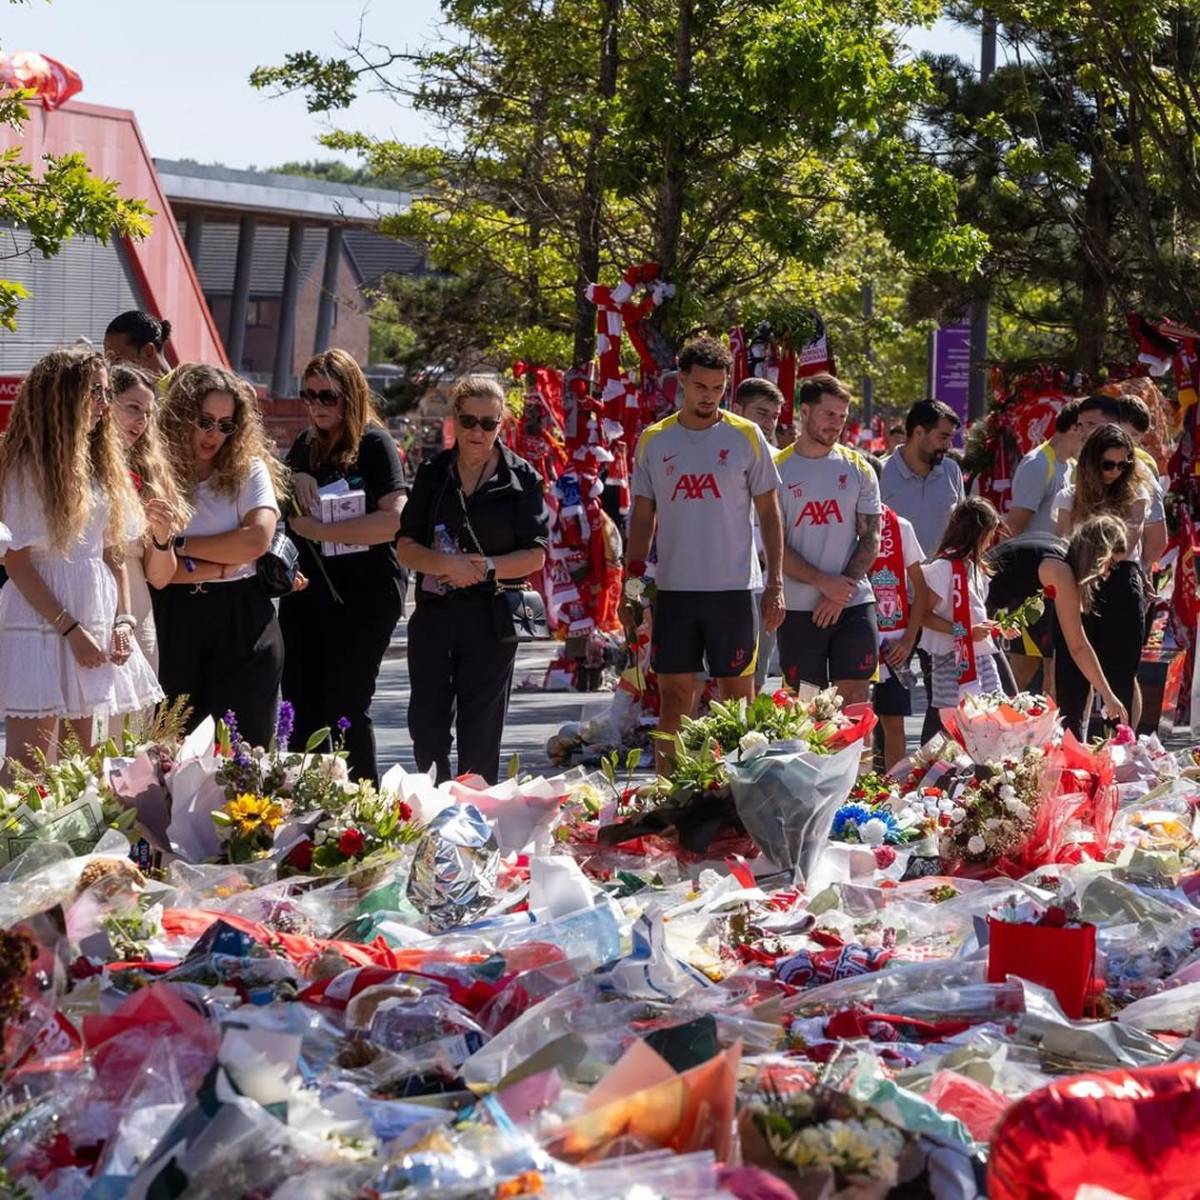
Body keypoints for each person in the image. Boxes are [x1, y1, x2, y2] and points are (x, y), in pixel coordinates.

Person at [624, 336, 784, 769]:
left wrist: (775, 583)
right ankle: (668, 794)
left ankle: (738, 795)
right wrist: (632, 587)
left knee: (736, 702)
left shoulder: (746, 435)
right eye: (700, 387)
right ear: (682, 381)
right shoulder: (655, 440)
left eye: (717, 388)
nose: (709, 396)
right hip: (675, 591)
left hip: (734, 591)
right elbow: (642, 517)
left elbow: (770, 514)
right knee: (676, 697)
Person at [0, 347, 162, 769]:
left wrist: (123, 621)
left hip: (97, 617)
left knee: (92, 761)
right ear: (62, 395)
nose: (104, 404)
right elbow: (15, 561)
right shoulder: (26, 468)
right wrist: (70, 629)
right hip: (41, 620)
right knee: (28, 763)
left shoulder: (101, 464)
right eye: (96, 392)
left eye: (106, 393)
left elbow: (113, 554)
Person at [396, 376, 549, 784]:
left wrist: (486, 566)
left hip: (492, 617)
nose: (477, 431)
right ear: (455, 420)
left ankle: (476, 813)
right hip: (435, 613)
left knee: (480, 732)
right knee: (426, 726)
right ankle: (435, 803)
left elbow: (535, 554)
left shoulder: (521, 478)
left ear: (501, 424)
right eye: (468, 421)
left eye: (488, 423)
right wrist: (446, 565)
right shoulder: (433, 473)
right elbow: (405, 547)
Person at [282, 349, 408, 785]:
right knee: (300, 701)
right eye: (309, 395)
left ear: (350, 395)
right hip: (309, 593)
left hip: (365, 593)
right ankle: (304, 800)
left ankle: (361, 801)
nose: (316, 405)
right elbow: (278, 496)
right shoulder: (304, 445)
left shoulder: (374, 443)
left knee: (345, 705)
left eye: (327, 396)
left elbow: (394, 520)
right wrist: (294, 477)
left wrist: (321, 530)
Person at [155, 364, 285, 746]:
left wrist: (178, 545)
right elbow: (152, 567)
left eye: (226, 425)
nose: (214, 434)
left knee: (244, 752)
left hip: (242, 617)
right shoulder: (156, 473)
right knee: (170, 754)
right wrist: (220, 562)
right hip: (174, 618)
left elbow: (256, 540)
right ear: (180, 416)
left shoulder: (249, 469)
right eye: (205, 421)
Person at [774, 374, 881, 702]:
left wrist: (839, 592)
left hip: (852, 601)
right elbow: (771, 545)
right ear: (805, 412)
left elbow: (871, 538)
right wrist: (823, 582)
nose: (836, 424)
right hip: (798, 607)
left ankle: (859, 744)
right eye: (829, 414)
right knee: (807, 705)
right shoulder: (776, 469)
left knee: (856, 698)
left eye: (842, 416)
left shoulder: (858, 467)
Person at [881, 399, 965, 737]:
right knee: (890, 699)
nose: (948, 446)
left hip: (939, 604)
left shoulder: (951, 471)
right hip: (893, 606)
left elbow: (960, 532)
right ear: (918, 432)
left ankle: (932, 764)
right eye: (942, 437)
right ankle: (886, 766)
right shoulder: (880, 473)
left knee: (944, 698)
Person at [107, 363, 191, 674]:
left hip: (136, 611)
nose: (142, 420)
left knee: (134, 706)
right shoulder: (73, 467)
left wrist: (162, 536)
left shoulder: (150, 473)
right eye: (133, 408)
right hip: (82, 602)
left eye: (148, 413)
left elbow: (159, 578)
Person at [1045, 516, 1135, 737]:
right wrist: (1108, 695)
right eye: (1110, 564)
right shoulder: (1063, 571)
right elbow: (1077, 646)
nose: (1108, 573)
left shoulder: (1065, 567)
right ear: (1098, 555)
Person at [920, 498, 1004, 708]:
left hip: (981, 655)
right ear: (977, 534)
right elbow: (924, 616)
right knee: (959, 718)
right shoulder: (943, 567)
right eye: (989, 536)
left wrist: (995, 627)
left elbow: (975, 613)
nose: (989, 543)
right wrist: (965, 631)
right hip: (951, 658)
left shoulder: (975, 567)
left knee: (994, 713)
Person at [733, 378, 785, 689]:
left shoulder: (783, 459)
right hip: (722, 580)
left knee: (755, 676)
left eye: (774, 416)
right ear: (737, 410)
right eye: (761, 413)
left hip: (765, 583)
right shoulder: (713, 453)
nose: (768, 423)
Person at [870, 505, 930, 769]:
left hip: (892, 639)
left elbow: (921, 589)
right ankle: (857, 783)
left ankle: (893, 783)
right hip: (854, 634)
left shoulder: (900, 526)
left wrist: (908, 640)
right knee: (853, 717)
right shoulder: (844, 522)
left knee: (893, 720)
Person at [1006, 399, 1084, 540]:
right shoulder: (1037, 464)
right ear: (1074, 428)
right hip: (1032, 553)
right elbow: (1012, 528)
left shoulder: (1073, 465)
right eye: (1089, 427)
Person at [104, 311, 172, 377]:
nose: (109, 367)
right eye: (107, 359)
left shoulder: (176, 384)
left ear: (148, 351)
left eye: (117, 359)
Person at [732, 377, 784, 447]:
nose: (770, 424)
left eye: (775, 417)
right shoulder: (717, 444)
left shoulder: (775, 454)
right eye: (762, 413)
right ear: (737, 411)